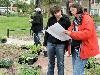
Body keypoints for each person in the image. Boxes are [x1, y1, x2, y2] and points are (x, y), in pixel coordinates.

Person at [64, 3, 100, 75]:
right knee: (78, 71)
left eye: (73, 10)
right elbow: (71, 30)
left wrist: (71, 33)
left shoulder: (86, 18)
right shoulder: (75, 20)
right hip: (76, 48)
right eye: (70, 10)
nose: (71, 11)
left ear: (78, 9)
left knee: (77, 72)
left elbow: (86, 33)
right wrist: (65, 32)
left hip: (83, 49)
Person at [43, 5, 71, 75]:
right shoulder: (51, 20)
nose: (57, 14)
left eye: (58, 11)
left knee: (60, 63)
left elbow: (69, 31)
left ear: (60, 10)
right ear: (53, 14)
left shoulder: (66, 19)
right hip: (50, 43)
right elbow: (47, 31)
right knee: (50, 62)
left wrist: (66, 46)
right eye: (55, 13)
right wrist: (45, 43)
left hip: (60, 44)